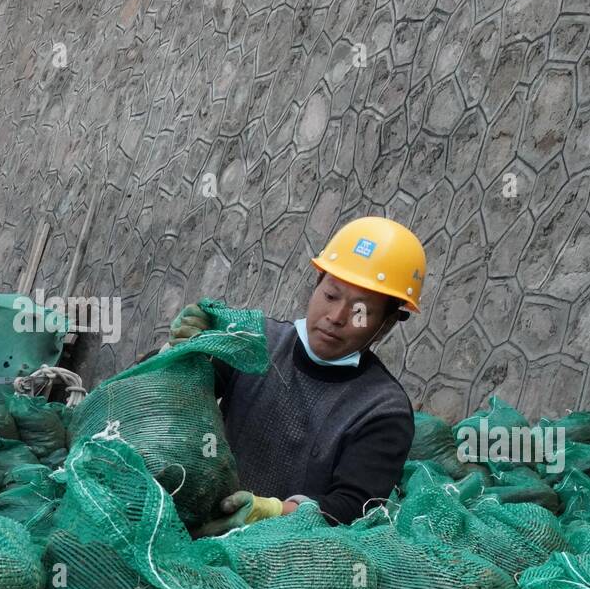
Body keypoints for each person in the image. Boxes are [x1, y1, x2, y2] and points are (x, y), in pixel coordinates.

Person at [176, 216, 423, 533]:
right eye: (331, 296)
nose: (336, 317)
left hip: (285, 559)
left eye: (361, 311)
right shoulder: (255, 342)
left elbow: (353, 508)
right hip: (198, 519)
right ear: (317, 283)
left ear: (386, 324)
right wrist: (182, 349)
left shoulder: (383, 411)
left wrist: (270, 512)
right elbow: (184, 384)